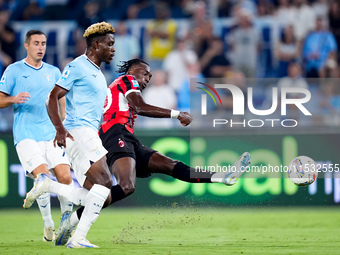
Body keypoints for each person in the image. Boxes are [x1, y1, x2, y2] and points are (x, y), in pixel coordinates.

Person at [54, 59, 251, 245]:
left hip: (127, 137)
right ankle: (71, 220)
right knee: (126, 186)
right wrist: (177, 114)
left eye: (149, 76)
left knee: (170, 165)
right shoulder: (126, 79)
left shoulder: (119, 87)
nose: (147, 79)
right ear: (132, 71)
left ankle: (223, 177)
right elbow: (140, 107)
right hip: (115, 134)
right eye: (145, 74)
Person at [23, 22, 116, 248]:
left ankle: (49, 187)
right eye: (110, 44)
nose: (113, 49)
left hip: (87, 133)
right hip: (79, 132)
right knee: (105, 182)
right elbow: (52, 97)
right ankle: (78, 238)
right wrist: (60, 128)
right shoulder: (77, 66)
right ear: (96, 45)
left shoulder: (96, 71)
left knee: (102, 195)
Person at [0, 30, 73, 242]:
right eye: (36, 43)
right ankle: (48, 222)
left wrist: (64, 117)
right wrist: (13, 99)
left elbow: (60, 97)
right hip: (26, 135)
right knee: (43, 178)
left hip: (51, 133)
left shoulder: (53, 71)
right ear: (27, 46)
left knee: (66, 177)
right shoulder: (14, 70)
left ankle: (65, 221)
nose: (41, 47)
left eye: (43, 43)